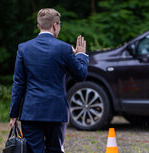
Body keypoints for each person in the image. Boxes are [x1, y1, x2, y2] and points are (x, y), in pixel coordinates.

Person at [9, 8, 89, 153]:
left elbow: (19, 83)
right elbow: (80, 75)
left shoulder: (23, 48)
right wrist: (81, 55)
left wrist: (14, 113)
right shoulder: (64, 49)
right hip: (56, 112)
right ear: (54, 25)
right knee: (55, 150)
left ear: (39, 26)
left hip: (31, 112)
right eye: (59, 25)